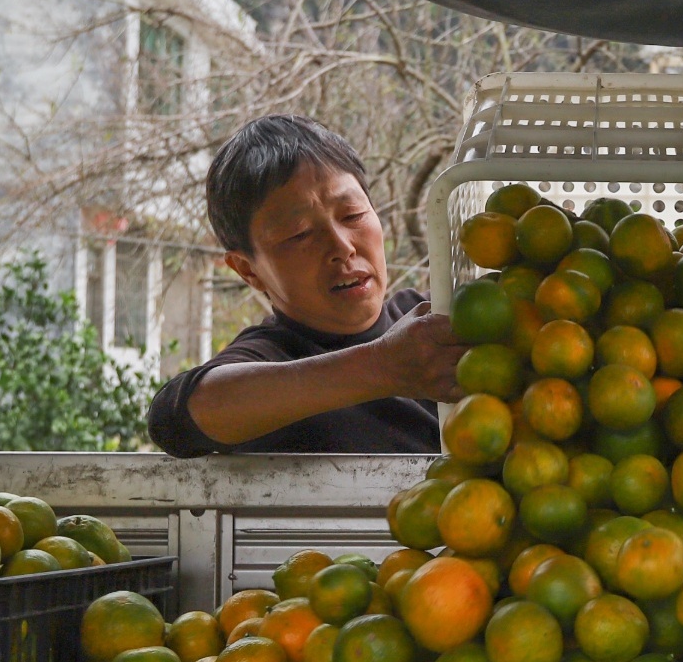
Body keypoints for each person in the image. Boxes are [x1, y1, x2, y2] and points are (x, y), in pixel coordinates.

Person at [148, 116, 462, 456]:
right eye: (299, 234)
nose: (342, 246)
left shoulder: (437, 318)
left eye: (352, 215)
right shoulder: (268, 358)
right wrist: (383, 367)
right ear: (247, 270)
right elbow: (177, 418)